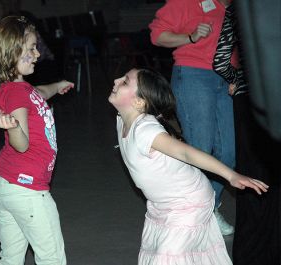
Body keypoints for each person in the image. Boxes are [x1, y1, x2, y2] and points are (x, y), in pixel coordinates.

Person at [108, 68, 268, 264]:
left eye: (124, 81)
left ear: (139, 102)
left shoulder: (145, 130)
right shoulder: (121, 120)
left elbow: (186, 153)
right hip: (163, 206)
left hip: (188, 203)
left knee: (166, 258)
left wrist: (231, 175)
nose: (116, 80)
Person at [0, 16, 73, 264]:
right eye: (31, 49)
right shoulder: (16, 94)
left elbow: (38, 93)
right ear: (10, 54)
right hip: (27, 190)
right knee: (52, 258)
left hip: (5, 185)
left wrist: (57, 85)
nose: (37, 54)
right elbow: (21, 144)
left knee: (10, 258)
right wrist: (15, 128)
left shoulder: (11, 86)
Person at [149, 0, 236, 235]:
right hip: (194, 75)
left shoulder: (238, 8)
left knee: (229, 151)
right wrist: (190, 37)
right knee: (201, 149)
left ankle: (208, 205)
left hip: (227, 79)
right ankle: (198, 212)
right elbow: (158, 36)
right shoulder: (186, 2)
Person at [213, 3, 280, 264]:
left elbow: (220, 60)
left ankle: (249, 256)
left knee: (252, 180)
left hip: (250, 99)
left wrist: (237, 78)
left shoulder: (240, 9)